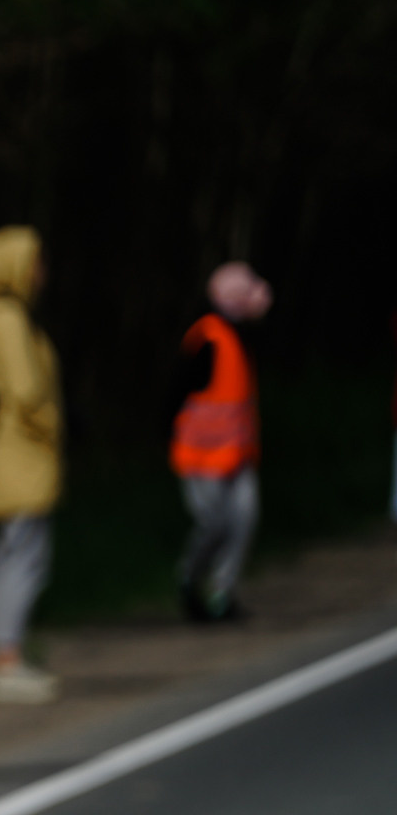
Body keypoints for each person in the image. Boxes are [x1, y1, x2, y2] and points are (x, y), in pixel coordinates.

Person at [0, 225, 63, 703]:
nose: (42, 273)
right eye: (36, 262)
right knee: (20, 555)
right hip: (20, 451)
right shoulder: (5, 316)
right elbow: (26, 388)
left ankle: (9, 654)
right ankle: (7, 660)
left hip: (19, 449)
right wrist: (55, 422)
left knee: (19, 553)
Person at [173, 261, 270, 623]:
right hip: (202, 457)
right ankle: (189, 578)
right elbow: (176, 393)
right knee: (214, 525)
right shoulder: (206, 337)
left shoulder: (242, 336)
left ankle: (221, 593)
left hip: (238, 455)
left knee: (244, 520)